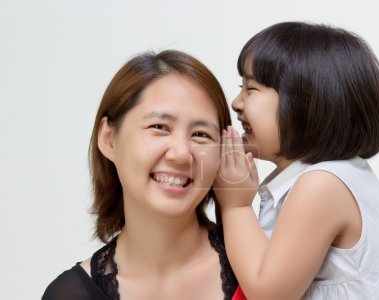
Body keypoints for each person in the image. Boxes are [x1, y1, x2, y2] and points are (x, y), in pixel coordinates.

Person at [214, 22, 379, 299]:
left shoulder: (322, 185)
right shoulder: (327, 178)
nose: (236, 102)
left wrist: (236, 205)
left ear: (304, 102)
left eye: (251, 89)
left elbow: (268, 293)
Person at [42, 50, 246, 300]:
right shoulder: (69, 295)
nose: (181, 154)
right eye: (159, 127)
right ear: (109, 139)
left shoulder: (265, 271)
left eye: (201, 134)